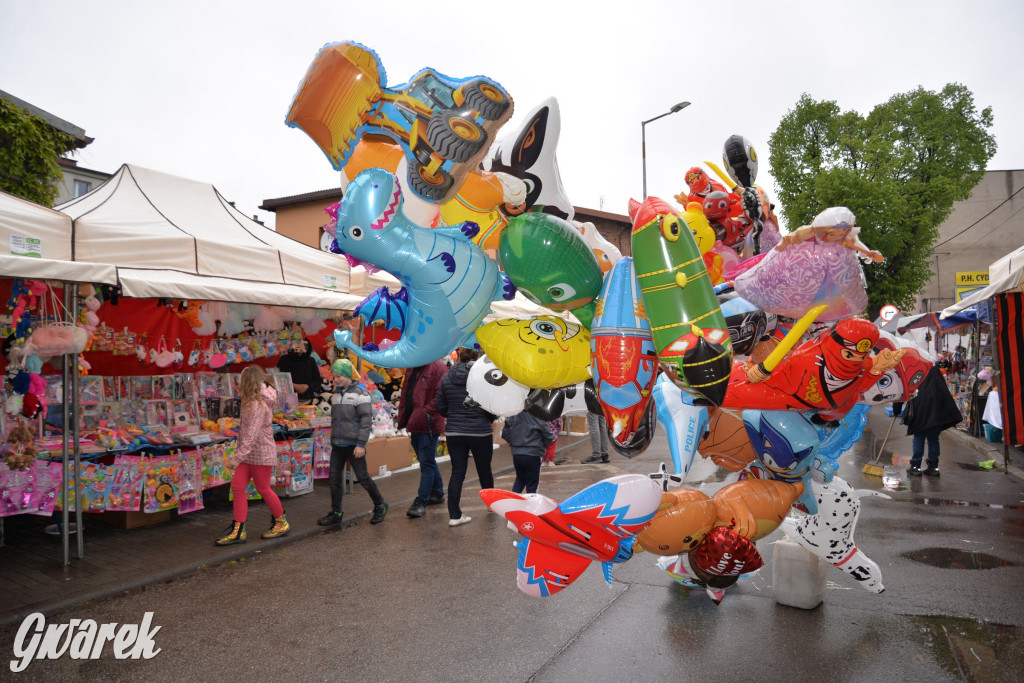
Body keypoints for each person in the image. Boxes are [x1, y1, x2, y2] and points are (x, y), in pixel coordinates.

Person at [215, 365, 288, 546]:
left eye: (241, 380)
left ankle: (281, 522)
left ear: (248, 381)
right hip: (249, 454)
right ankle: (239, 529)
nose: (238, 384)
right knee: (238, 488)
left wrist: (237, 457)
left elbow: (252, 434)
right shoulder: (252, 401)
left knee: (263, 489)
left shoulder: (257, 404)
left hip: (260, 453)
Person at [317, 359, 389, 527]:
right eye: (334, 377)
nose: (336, 380)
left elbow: (365, 420)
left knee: (363, 478)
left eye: (339, 376)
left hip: (354, 444)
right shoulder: (336, 394)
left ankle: (380, 505)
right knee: (334, 480)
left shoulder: (360, 393)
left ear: (348, 374)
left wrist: (361, 444)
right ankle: (336, 512)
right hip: (338, 444)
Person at [435, 347, 495, 527]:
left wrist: (453, 415)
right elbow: (491, 404)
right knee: (484, 469)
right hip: (480, 431)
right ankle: (491, 505)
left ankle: (455, 515)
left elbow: (440, 405)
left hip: (455, 431)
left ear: (459, 357)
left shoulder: (447, 377)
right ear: (477, 357)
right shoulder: (481, 377)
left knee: (457, 472)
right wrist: (487, 419)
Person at [397, 359, 448, 518]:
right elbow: (407, 392)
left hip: (427, 423)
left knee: (426, 462)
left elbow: (441, 396)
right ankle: (438, 493)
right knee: (427, 460)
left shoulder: (438, 367)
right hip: (415, 421)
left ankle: (421, 501)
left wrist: (423, 412)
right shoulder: (413, 366)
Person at [902, 365, 963, 477]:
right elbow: (945, 392)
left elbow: (906, 389)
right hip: (936, 412)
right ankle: (933, 467)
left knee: (919, 437)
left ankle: (915, 466)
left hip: (920, 410)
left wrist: (897, 408)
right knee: (933, 438)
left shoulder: (915, 370)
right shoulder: (935, 371)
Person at [501, 410, 555, 494]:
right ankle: (531, 504)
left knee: (520, 479)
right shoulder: (538, 415)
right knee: (532, 483)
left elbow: (505, 433)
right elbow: (549, 435)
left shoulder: (513, 414)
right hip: (533, 453)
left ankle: (513, 501)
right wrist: (542, 445)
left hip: (517, 453)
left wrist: (514, 442)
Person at [276, 337, 322, 402]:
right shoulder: (284, 359)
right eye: (298, 345)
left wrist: (307, 386)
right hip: (288, 398)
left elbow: (318, 380)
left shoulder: (310, 360)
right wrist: (294, 385)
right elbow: (278, 378)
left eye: (304, 346)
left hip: (307, 398)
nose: (301, 348)